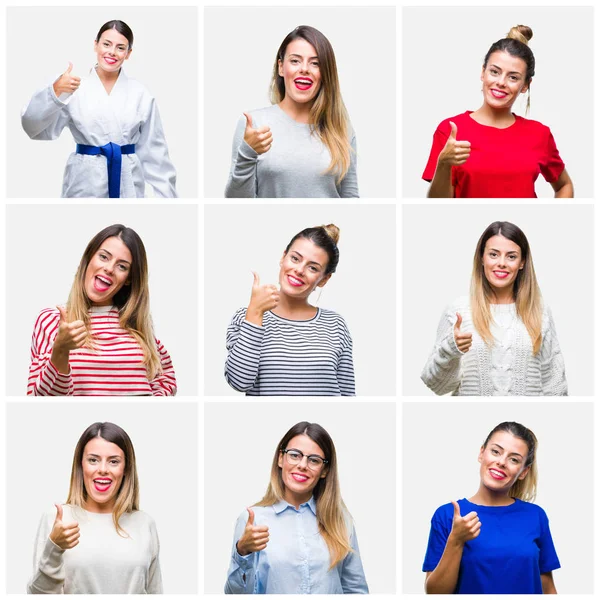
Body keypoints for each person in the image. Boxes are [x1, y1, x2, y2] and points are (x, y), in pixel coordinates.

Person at [21, 20, 177, 198]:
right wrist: (56, 91)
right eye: (106, 44)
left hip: (128, 179)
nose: (112, 52)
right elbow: (33, 128)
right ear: (96, 45)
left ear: (128, 53)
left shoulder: (140, 93)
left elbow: (155, 153)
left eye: (120, 47)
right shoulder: (74, 88)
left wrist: (167, 198)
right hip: (84, 180)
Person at [423, 25, 573, 198]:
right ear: (483, 72)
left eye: (513, 77)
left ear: (525, 85)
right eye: (494, 72)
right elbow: (439, 205)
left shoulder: (540, 134)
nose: (501, 82)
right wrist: (443, 164)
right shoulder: (451, 130)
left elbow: (564, 185)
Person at [27, 224, 176, 396]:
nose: (109, 268)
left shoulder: (143, 335)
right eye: (104, 257)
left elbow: (164, 389)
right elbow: (40, 398)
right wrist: (61, 349)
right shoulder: (51, 321)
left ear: (129, 279)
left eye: (122, 266)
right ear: (89, 258)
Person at [421, 221, 567, 396]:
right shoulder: (458, 311)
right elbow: (437, 386)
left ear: (522, 263)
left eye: (511, 256)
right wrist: (450, 349)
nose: (502, 263)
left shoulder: (539, 311)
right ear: (482, 258)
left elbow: (555, 385)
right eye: (493, 254)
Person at [225, 421, 368, 594]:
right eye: (294, 455)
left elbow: (356, 591)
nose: (302, 465)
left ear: (324, 470)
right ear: (280, 458)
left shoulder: (340, 520)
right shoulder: (253, 520)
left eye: (314, 460)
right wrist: (243, 552)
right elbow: (235, 595)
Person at [423, 421, 559, 594]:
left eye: (514, 459)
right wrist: (456, 541)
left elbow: (547, 587)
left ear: (523, 472)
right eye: (496, 451)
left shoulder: (535, 516)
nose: (501, 462)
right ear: (482, 453)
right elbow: (435, 594)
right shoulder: (447, 515)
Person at [28, 422, 162, 593]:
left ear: (126, 468)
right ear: (80, 464)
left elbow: (155, 592)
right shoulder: (57, 520)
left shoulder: (145, 523)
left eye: (113, 461)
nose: (103, 469)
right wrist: (54, 547)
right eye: (93, 460)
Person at [225, 25, 358, 198]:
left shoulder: (341, 129)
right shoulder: (254, 125)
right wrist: (247, 154)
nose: (304, 69)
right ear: (281, 67)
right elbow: (237, 204)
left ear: (325, 73)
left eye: (315, 63)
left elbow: (351, 199)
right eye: (295, 61)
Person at [225, 224, 354, 395]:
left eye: (313, 268)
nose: (299, 270)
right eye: (295, 258)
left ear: (324, 279)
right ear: (283, 257)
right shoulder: (245, 317)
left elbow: (347, 393)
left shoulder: (335, 324)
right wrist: (255, 313)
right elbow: (239, 382)